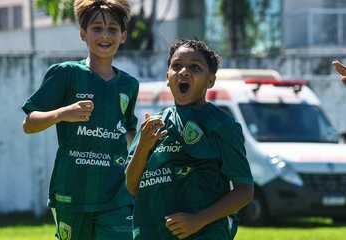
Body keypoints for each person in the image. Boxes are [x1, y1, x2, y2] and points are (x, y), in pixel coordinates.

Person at [22, 1, 138, 239]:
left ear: (123, 36)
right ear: (82, 34)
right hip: (72, 193)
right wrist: (63, 113)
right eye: (97, 28)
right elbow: (29, 123)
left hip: (116, 194)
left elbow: (127, 131)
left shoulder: (129, 85)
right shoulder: (66, 73)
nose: (105, 35)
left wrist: (143, 145)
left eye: (113, 29)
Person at [126, 39, 254, 240]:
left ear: (210, 80)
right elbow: (132, 186)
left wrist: (198, 220)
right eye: (176, 66)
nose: (184, 72)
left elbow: (244, 191)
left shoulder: (222, 125)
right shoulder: (153, 125)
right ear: (167, 77)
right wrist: (143, 147)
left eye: (195, 67)